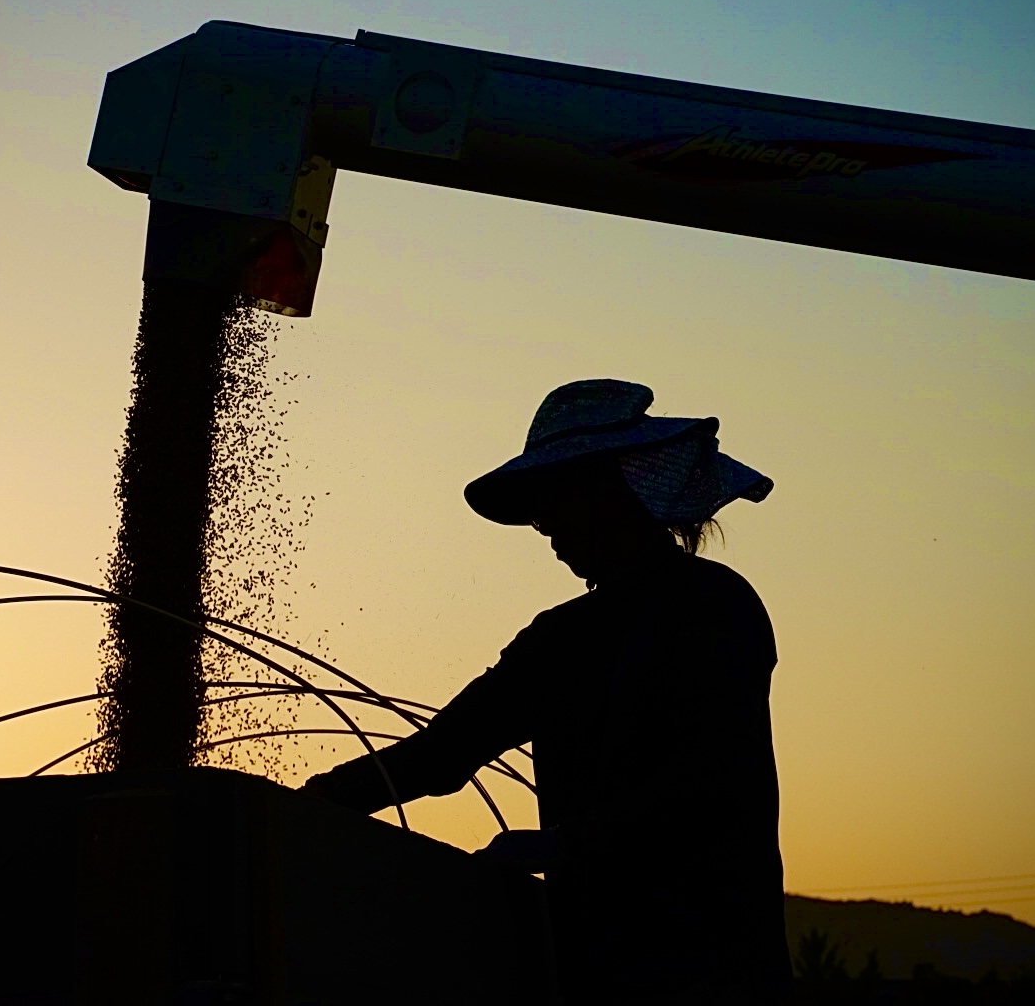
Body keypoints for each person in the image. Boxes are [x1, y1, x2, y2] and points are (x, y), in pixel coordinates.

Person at [301, 379, 792, 1004]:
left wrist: (567, 844)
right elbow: (444, 752)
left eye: (554, 500)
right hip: (594, 967)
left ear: (612, 491)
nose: (544, 526)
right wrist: (318, 801)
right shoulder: (557, 639)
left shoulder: (711, 605)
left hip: (710, 965)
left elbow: (716, 774)